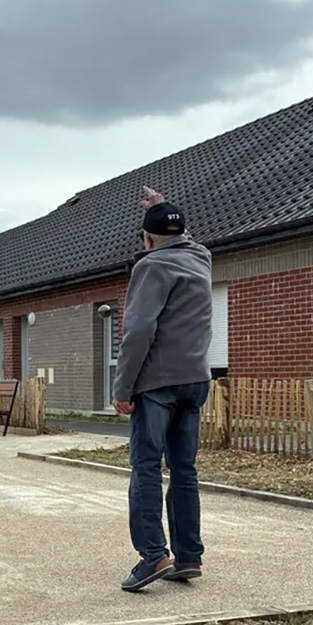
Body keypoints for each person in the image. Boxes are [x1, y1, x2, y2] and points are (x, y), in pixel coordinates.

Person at [112, 186, 213, 592]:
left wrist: (123, 388)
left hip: (157, 384)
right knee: (184, 470)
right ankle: (189, 556)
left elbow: (138, 332)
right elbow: (183, 237)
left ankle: (153, 555)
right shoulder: (201, 258)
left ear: (147, 240)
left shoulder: (150, 267)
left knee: (147, 467)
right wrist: (164, 210)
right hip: (195, 380)